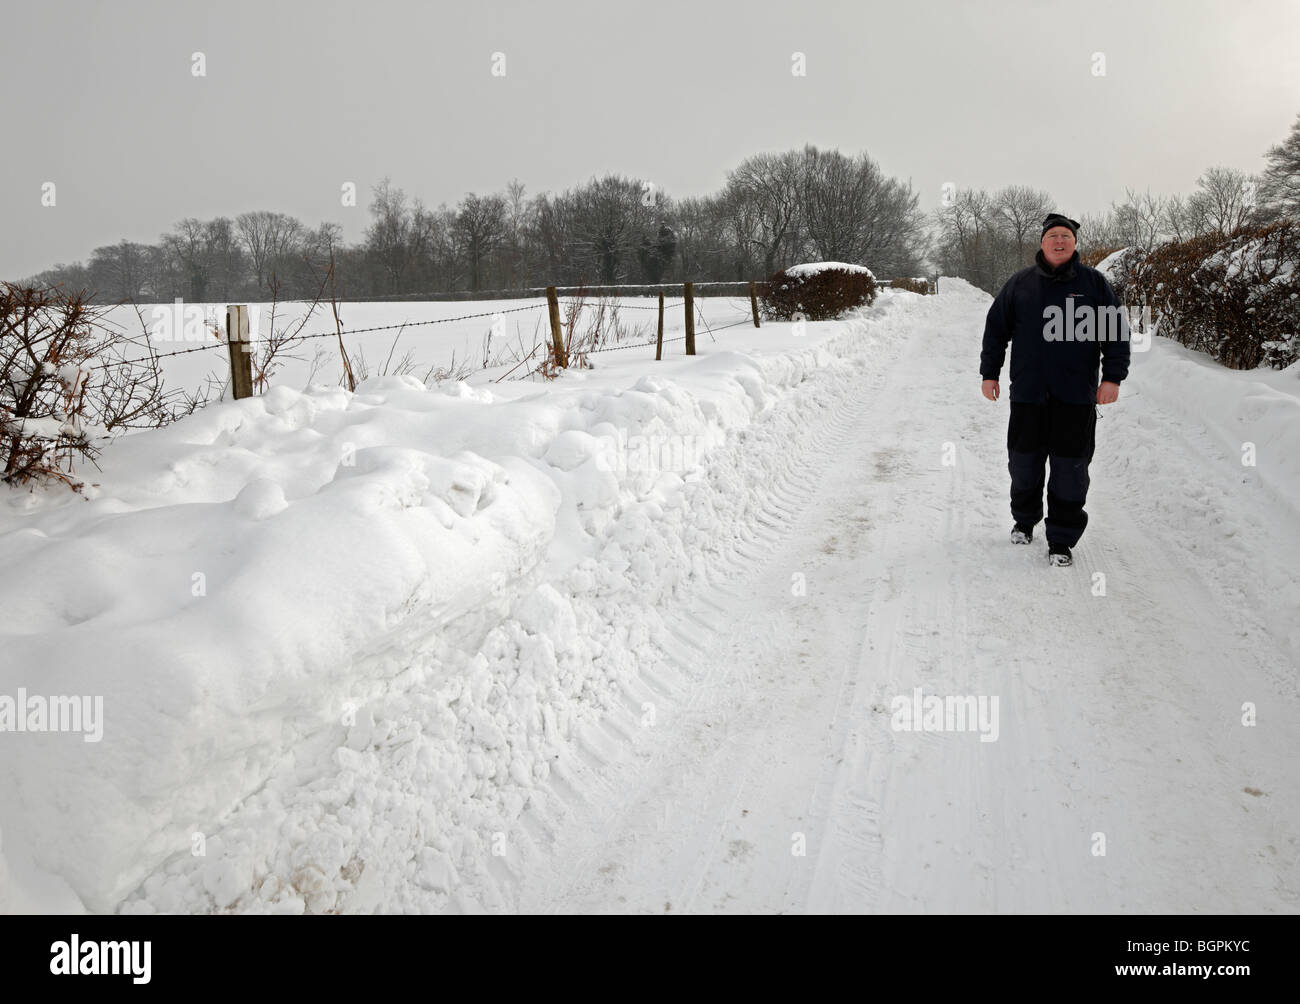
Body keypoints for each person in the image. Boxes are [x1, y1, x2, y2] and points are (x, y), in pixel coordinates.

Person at [979, 212, 1131, 566]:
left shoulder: (1094, 285)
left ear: (1075, 243)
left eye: (1065, 236)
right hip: (1028, 395)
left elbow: (1115, 334)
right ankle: (1024, 520)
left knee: (1070, 470)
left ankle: (1061, 539)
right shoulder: (1020, 284)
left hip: (1075, 397)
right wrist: (990, 373)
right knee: (1023, 464)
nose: (1059, 242)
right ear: (1042, 242)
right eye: (1053, 236)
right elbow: (996, 330)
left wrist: (1112, 377)